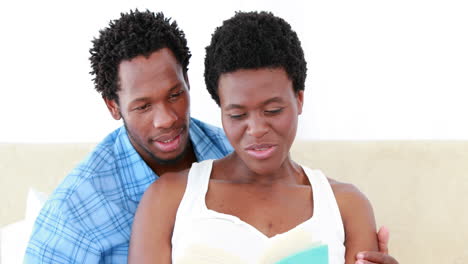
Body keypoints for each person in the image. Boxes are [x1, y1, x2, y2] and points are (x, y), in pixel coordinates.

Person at [25, 9, 398, 264]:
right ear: (113, 107)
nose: (166, 119)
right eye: (142, 107)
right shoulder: (79, 211)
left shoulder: (240, 149)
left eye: (175, 95)